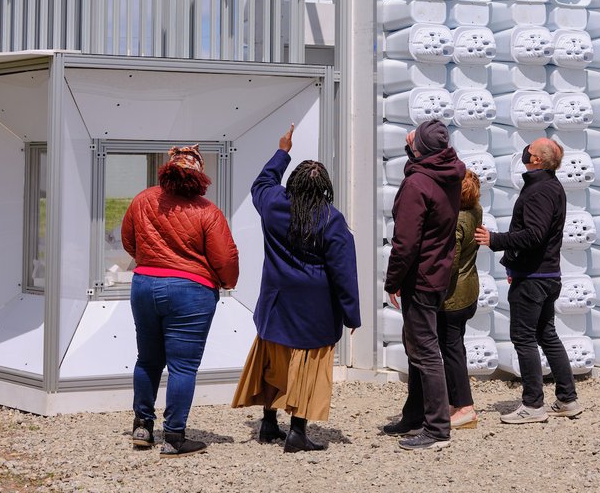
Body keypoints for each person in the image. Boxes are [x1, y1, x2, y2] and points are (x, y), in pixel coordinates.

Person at [232, 124, 361, 453]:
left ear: (293, 184)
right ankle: (297, 433)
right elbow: (344, 272)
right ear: (325, 188)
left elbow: (262, 183)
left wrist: (282, 151)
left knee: (274, 358)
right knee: (307, 366)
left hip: (276, 300)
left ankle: (268, 423)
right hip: (315, 308)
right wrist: (351, 315)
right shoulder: (331, 219)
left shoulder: (274, 203)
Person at [121, 144, 239, 456]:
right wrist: (227, 282)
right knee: (183, 366)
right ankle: (174, 437)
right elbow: (225, 258)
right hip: (191, 291)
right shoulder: (207, 211)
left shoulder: (143, 200)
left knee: (147, 360)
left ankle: (142, 427)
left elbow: (129, 240)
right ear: (199, 177)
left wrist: (149, 261)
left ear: (168, 171)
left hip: (145, 285)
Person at [475, 138, 582, 422]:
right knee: (547, 335)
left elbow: (534, 235)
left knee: (524, 338)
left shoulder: (539, 191)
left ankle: (533, 405)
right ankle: (567, 399)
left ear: (536, 160)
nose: (525, 151)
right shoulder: (550, 186)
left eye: (530, 149)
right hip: (547, 274)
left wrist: (495, 239)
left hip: (534, 277)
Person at [381, 118, 466, 452]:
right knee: (416, 345)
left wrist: (393, 281)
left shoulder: (417, 184)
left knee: (426, 351)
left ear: (419, 149)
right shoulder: (448, 173)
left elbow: (405, 242)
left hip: (420, 276)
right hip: (439, 272)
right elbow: (423, 162)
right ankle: (415, 415)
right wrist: (416, 149)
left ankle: (437, 428)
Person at [438, 168, 482, 430]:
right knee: (456, 348)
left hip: (454, 296)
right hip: (469, 290)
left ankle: (465, 407)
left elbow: (449, 264)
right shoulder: (476, 211)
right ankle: (456, 403)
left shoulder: (456, 221)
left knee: (452, 350)